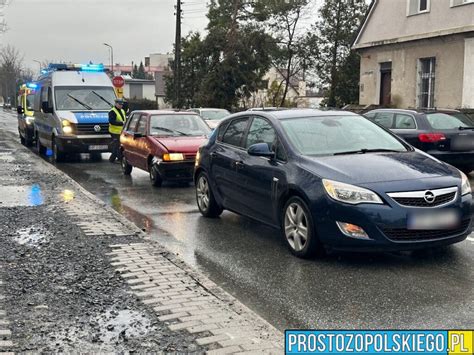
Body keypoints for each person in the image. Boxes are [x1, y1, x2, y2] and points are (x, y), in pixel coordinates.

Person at [108, 98, 126, 163]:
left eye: (122, 104)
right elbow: (111, 121)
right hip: (114, 132)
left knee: (119, 146)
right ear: (115, 104)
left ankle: (119, 158)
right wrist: (121, 123)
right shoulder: (112, 111)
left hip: (121, 132)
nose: (121, 105)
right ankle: (112, 159)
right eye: (119, 104)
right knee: (116, 146)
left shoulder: (122, 111)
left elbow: (124, 119)